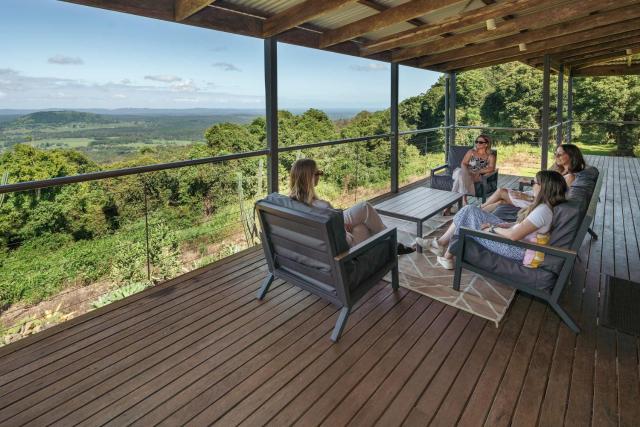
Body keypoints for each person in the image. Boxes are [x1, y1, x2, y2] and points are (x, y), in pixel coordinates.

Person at [416, 170, 567, 269]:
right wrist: (503, 224)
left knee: (468, 214)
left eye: (534, 183)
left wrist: (493, 228)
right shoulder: (544, 207)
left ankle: (444, 249)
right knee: (469, 210)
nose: (531, 185)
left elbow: (514, 236)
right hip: (512, 240)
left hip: (513, 248)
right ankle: (442, 247)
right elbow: (521, 227)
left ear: (543, 187)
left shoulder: (542, 211)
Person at [289, 158, 415, 255]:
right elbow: (341, 236)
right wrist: (343, 230)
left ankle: (390, 244)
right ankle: (392, 242)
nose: (320, 175)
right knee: (364, 207)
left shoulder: (290, 203)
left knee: (361, 227)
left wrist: (340, 227)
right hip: (339, 248)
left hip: (322, 246)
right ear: (309, 177)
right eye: (318, 173)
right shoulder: (322, 206)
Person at [480, 143, 585, 213]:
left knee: (501, 191)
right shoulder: (562, 171)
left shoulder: (570, 177)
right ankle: (478, 211)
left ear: (571, 156)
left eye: (560, 154)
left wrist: (527, 197)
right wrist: (531, 183)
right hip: (536, 196)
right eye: (555, 154)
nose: (556, 156)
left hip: (539, 202)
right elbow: (548, 185)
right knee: (500, 202)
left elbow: (555, 199)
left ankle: (478, 210)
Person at [444, 134, 496, 215]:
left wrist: (478, 171)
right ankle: (464, 201)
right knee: (461, 174)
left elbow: (491, 168)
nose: (477, 143)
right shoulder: (471, 152)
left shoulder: (490, 156)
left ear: (486, 144)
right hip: (463, 171)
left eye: (480, 142)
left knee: (460, 177)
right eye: (476, 141)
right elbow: (464, 163)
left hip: (476, 175)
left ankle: (449, 205)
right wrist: (467, 172)